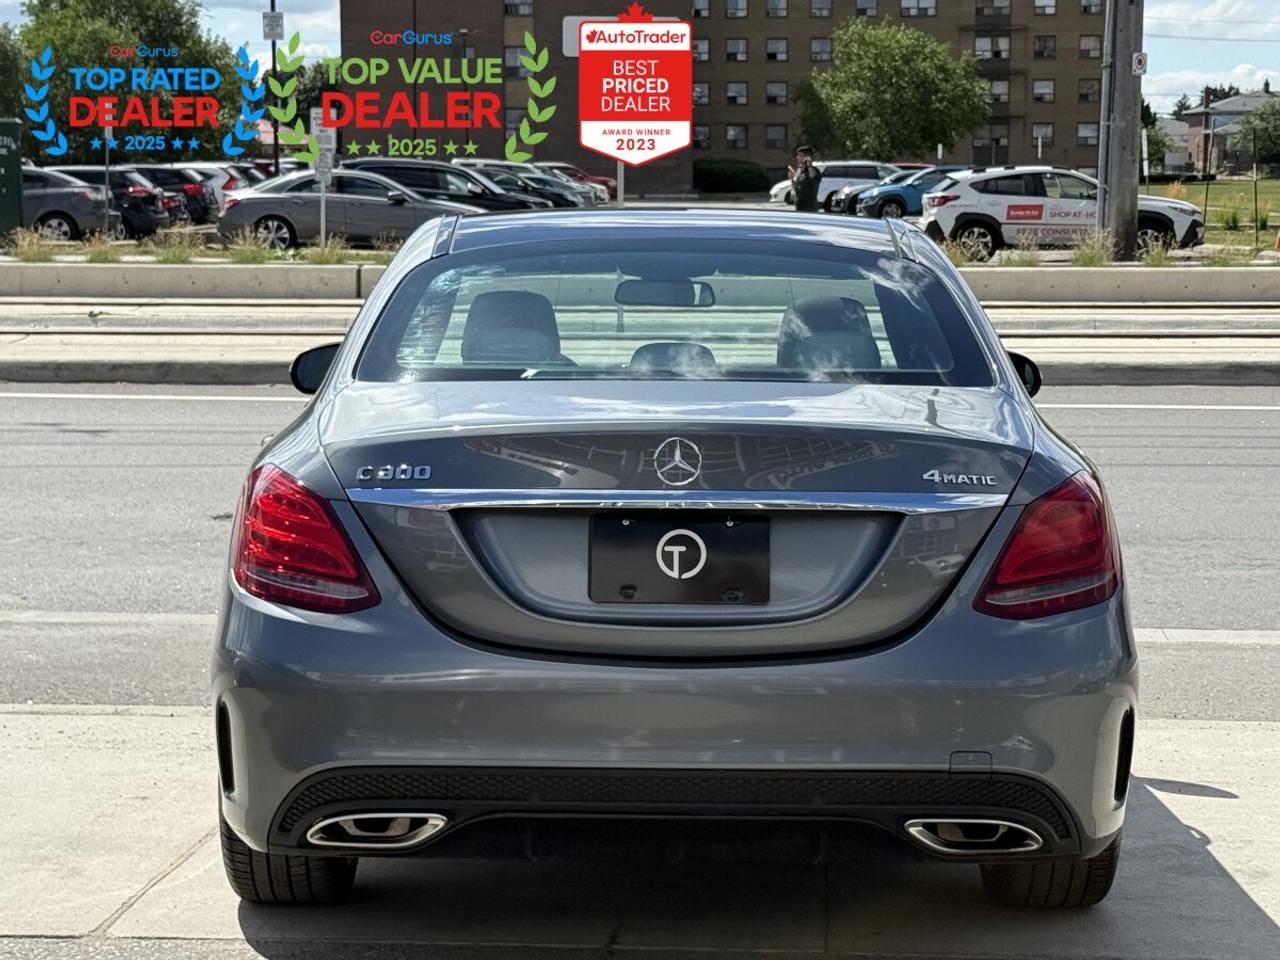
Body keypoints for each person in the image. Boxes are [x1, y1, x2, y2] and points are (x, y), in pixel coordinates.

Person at [788, 146, 823, 212]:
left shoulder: (814, 170)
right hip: (799, 205)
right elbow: (796, 187)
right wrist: (792, 179)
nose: (797, 157)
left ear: (807, 157)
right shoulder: (799, 170)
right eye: (797, 155)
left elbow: (813, 177)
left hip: (810, 207)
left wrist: (809, 164)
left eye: (800, 155)